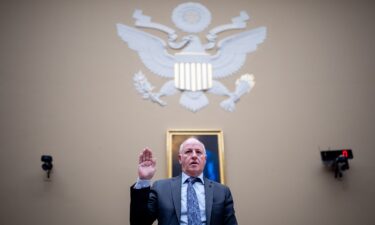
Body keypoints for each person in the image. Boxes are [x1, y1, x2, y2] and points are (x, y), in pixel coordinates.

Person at [130, 137, 238, 225]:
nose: (194, 156)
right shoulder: (161, 188)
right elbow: (139, 222)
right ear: (180, 159)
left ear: (205, 159)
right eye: (188, 151)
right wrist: (143, 180)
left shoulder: (222, 192)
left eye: (199, 152)